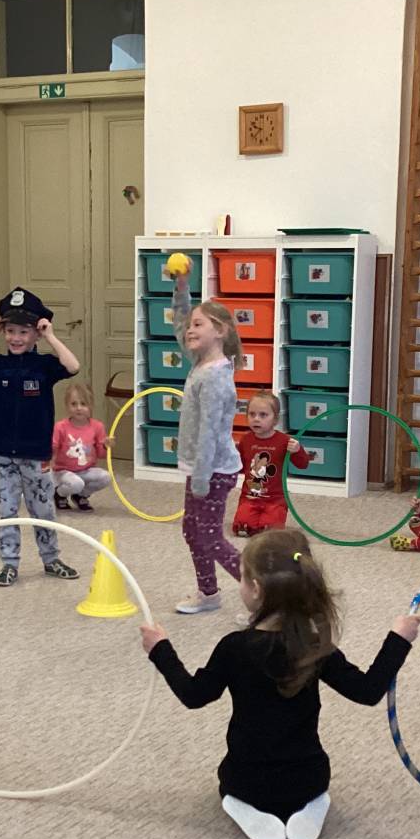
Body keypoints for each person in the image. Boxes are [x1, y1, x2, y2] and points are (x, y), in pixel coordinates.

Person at [139, 529, 420, 839]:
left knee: (230, 785)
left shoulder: (235, 647)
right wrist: (399, 639)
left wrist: (160, 649)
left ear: (256, 589)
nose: (240, 585)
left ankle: (247, 807)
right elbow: (368, 690)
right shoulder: (315, 646)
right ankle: (311, 804)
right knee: (309, 783)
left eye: (242, 578)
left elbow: (193, 695)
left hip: (247, 781)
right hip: (310, 779)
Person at [0, 287, 82, 587]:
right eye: (10, 331)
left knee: (42, 509)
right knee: (7, 510)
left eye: (24, 332)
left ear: (36, 333)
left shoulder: (44, 366)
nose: (16, 338)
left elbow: (73, 366)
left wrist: (51, 337)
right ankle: (9, 563)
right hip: (2, 452)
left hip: (35, 453)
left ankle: (51, 559)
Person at [168, 259, 243, 614]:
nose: (189, 330)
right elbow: (178, 323)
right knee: (192, 531)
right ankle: (209, 593)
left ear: (221, 332)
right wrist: (181, 287)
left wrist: (200, 478)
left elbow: (211, 431)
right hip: (201, 468)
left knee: (211, 538)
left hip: (213, 470)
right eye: (191, 326)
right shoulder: (201, 362)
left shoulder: (214, 377)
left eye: (199, 325)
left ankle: (269, 597)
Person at [231, 391, 309, 537]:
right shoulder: (246, 440)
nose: (256, 419)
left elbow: (303, 464)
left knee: (270, 530)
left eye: (263, 415)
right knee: (243, 526)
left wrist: (297, 450)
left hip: (275, 500)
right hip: (250, 497)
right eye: (252, 414)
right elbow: (238, 466)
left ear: (275, 419)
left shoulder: (285, 441)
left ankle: (268, 522)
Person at [50, 382, 111, 510]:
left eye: (83, 404)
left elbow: (101, 455)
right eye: (73, 404)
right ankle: (59, 494)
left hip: (86, 470)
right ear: (67, 406)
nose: (78, 408)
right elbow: (52, 449)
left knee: (106, 477)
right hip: (63, 472)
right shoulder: (60, 427)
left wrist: (106, 446)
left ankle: (80, 495)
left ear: (90, 406)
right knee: (76, 483)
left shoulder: (97, 427)